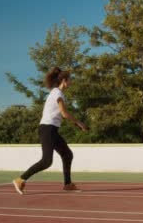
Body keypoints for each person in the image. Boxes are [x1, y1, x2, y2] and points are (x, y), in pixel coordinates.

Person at [12, 67, 88, 195]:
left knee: (67, 154)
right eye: (70, 80)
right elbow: (64, 113)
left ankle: (68, 184)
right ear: (64, 80)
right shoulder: (57, 93)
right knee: (47, 161)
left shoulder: (57, 93)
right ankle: (20, 179)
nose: (72, 82)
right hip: (47, 129)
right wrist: (79, 123)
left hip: (52, 129)